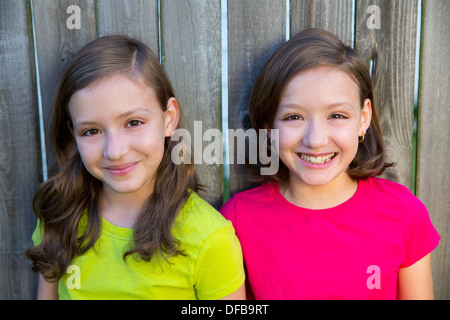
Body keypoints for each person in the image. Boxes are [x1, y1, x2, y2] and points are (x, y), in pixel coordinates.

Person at [220, 28, 440, 300]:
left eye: (336, 115)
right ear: (268, 126)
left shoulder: (404, 214)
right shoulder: (237, 221)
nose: (315, 140)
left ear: (363, 118)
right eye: (293, 117)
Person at [26, 35, 245, 300]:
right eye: (92, 130)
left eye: (133, 123)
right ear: (74, 134)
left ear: (168, 118)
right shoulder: (59, 215)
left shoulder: (209, 239)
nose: (115, 151)